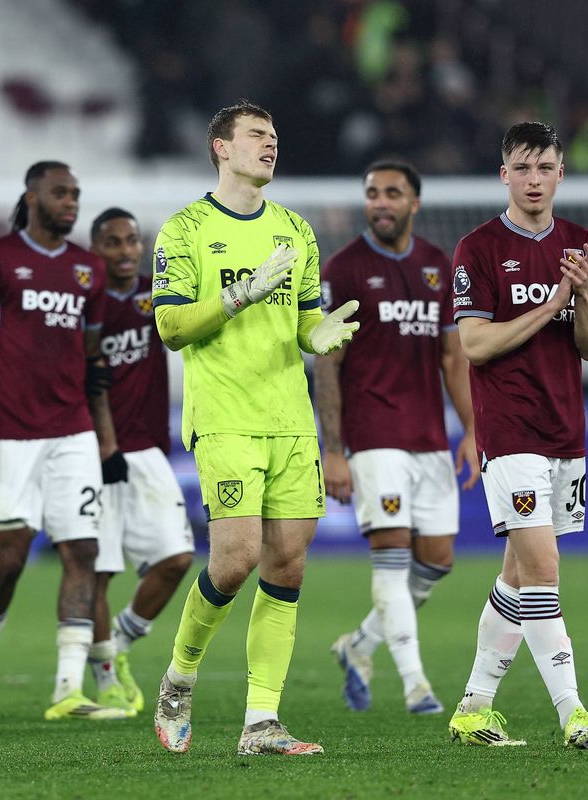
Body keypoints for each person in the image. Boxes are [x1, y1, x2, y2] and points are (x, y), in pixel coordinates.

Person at [149, 100, 359, 756]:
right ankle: (179, 678)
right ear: (221, 147)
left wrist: (319, 336)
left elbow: (302, 320)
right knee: (235, 558)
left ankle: (261, 723)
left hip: (289, 419)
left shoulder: (295, 230)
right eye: (256, 136)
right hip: (226, 418)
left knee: (288, 565)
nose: (270, 145)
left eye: (274, 136)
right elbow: (172, 327)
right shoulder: (184, 230)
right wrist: (240, 294)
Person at [0, 161, 130, 722]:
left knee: (82, 552)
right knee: (10, 557)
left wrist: (105, 441)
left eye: (76, 192)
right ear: (33, 196)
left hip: (72, 433)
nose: (71, 201)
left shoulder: (88, 270)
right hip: (11, 436)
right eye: (60, 192)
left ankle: (67, 691)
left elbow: (94, 363)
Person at [446, 122, 588, 748]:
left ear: (561, 173)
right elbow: (475, 343)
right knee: (545, 566)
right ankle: (573, 712)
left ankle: (473, 706)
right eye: (523, 168)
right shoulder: (479, 248)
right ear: (504, 175)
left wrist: (582, 296)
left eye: (545, 168)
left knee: (519, 575)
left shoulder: (583, 244)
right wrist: (550, 304)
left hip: (565, 430)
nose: (534, 180)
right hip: (509, 429)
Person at [315, 160, 479, 715]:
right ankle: (417, 685)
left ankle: (358, 645)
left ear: (414, 203)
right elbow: (327, 366)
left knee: (436, 561)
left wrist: (472, 430)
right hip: (374, 437)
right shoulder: (343, 269)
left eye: (392, 193)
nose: (380, 202)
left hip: (430, 438)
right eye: (372, 193)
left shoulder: (438, 265)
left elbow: (452, 358)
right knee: (390, 556)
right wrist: (333, 450)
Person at [85, 207, 194, 714]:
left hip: (148, 448)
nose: (126, 251)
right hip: (92, 452)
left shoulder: (159, 292)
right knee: (99, 571)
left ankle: (121, 644)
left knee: (176, 560)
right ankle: (106, 676)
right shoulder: (86, 304)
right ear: (96, 249)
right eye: (113, 242)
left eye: (132, 241)